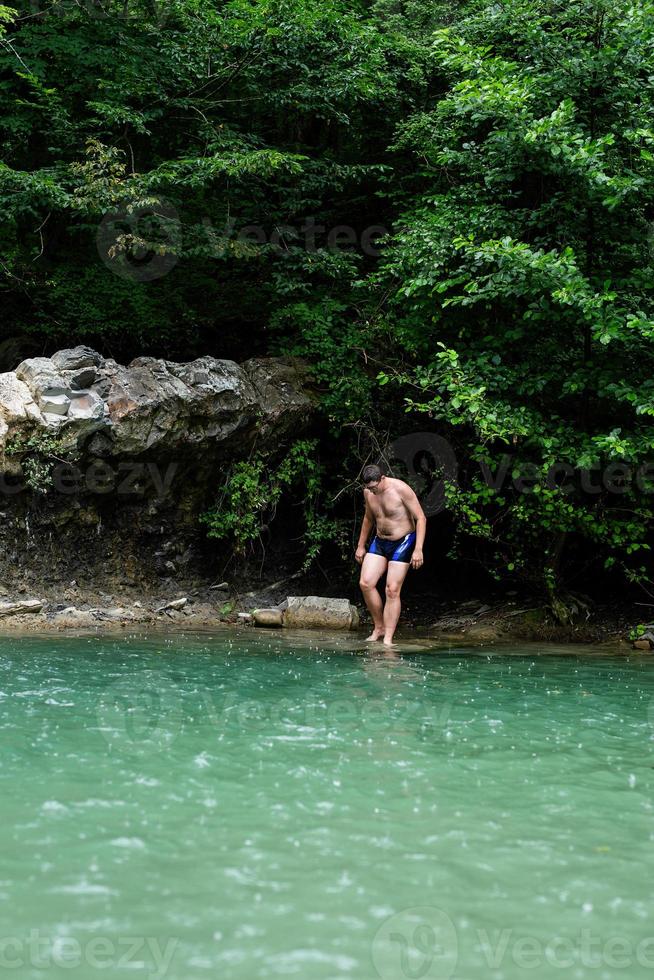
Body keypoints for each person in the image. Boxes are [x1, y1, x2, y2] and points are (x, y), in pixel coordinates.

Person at [354, 464, 426, 645]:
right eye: (369, 488)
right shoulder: (369, 493)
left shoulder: (401, 489)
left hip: (403, 541)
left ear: (382, 478)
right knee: (365, 583)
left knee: (392, 590)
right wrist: (361, 545)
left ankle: (388, 639)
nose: (372, 491)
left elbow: (421, 518)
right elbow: (369, 518)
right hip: (380, 541)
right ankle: (379, 627)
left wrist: (418, 549)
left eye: (374, 487)